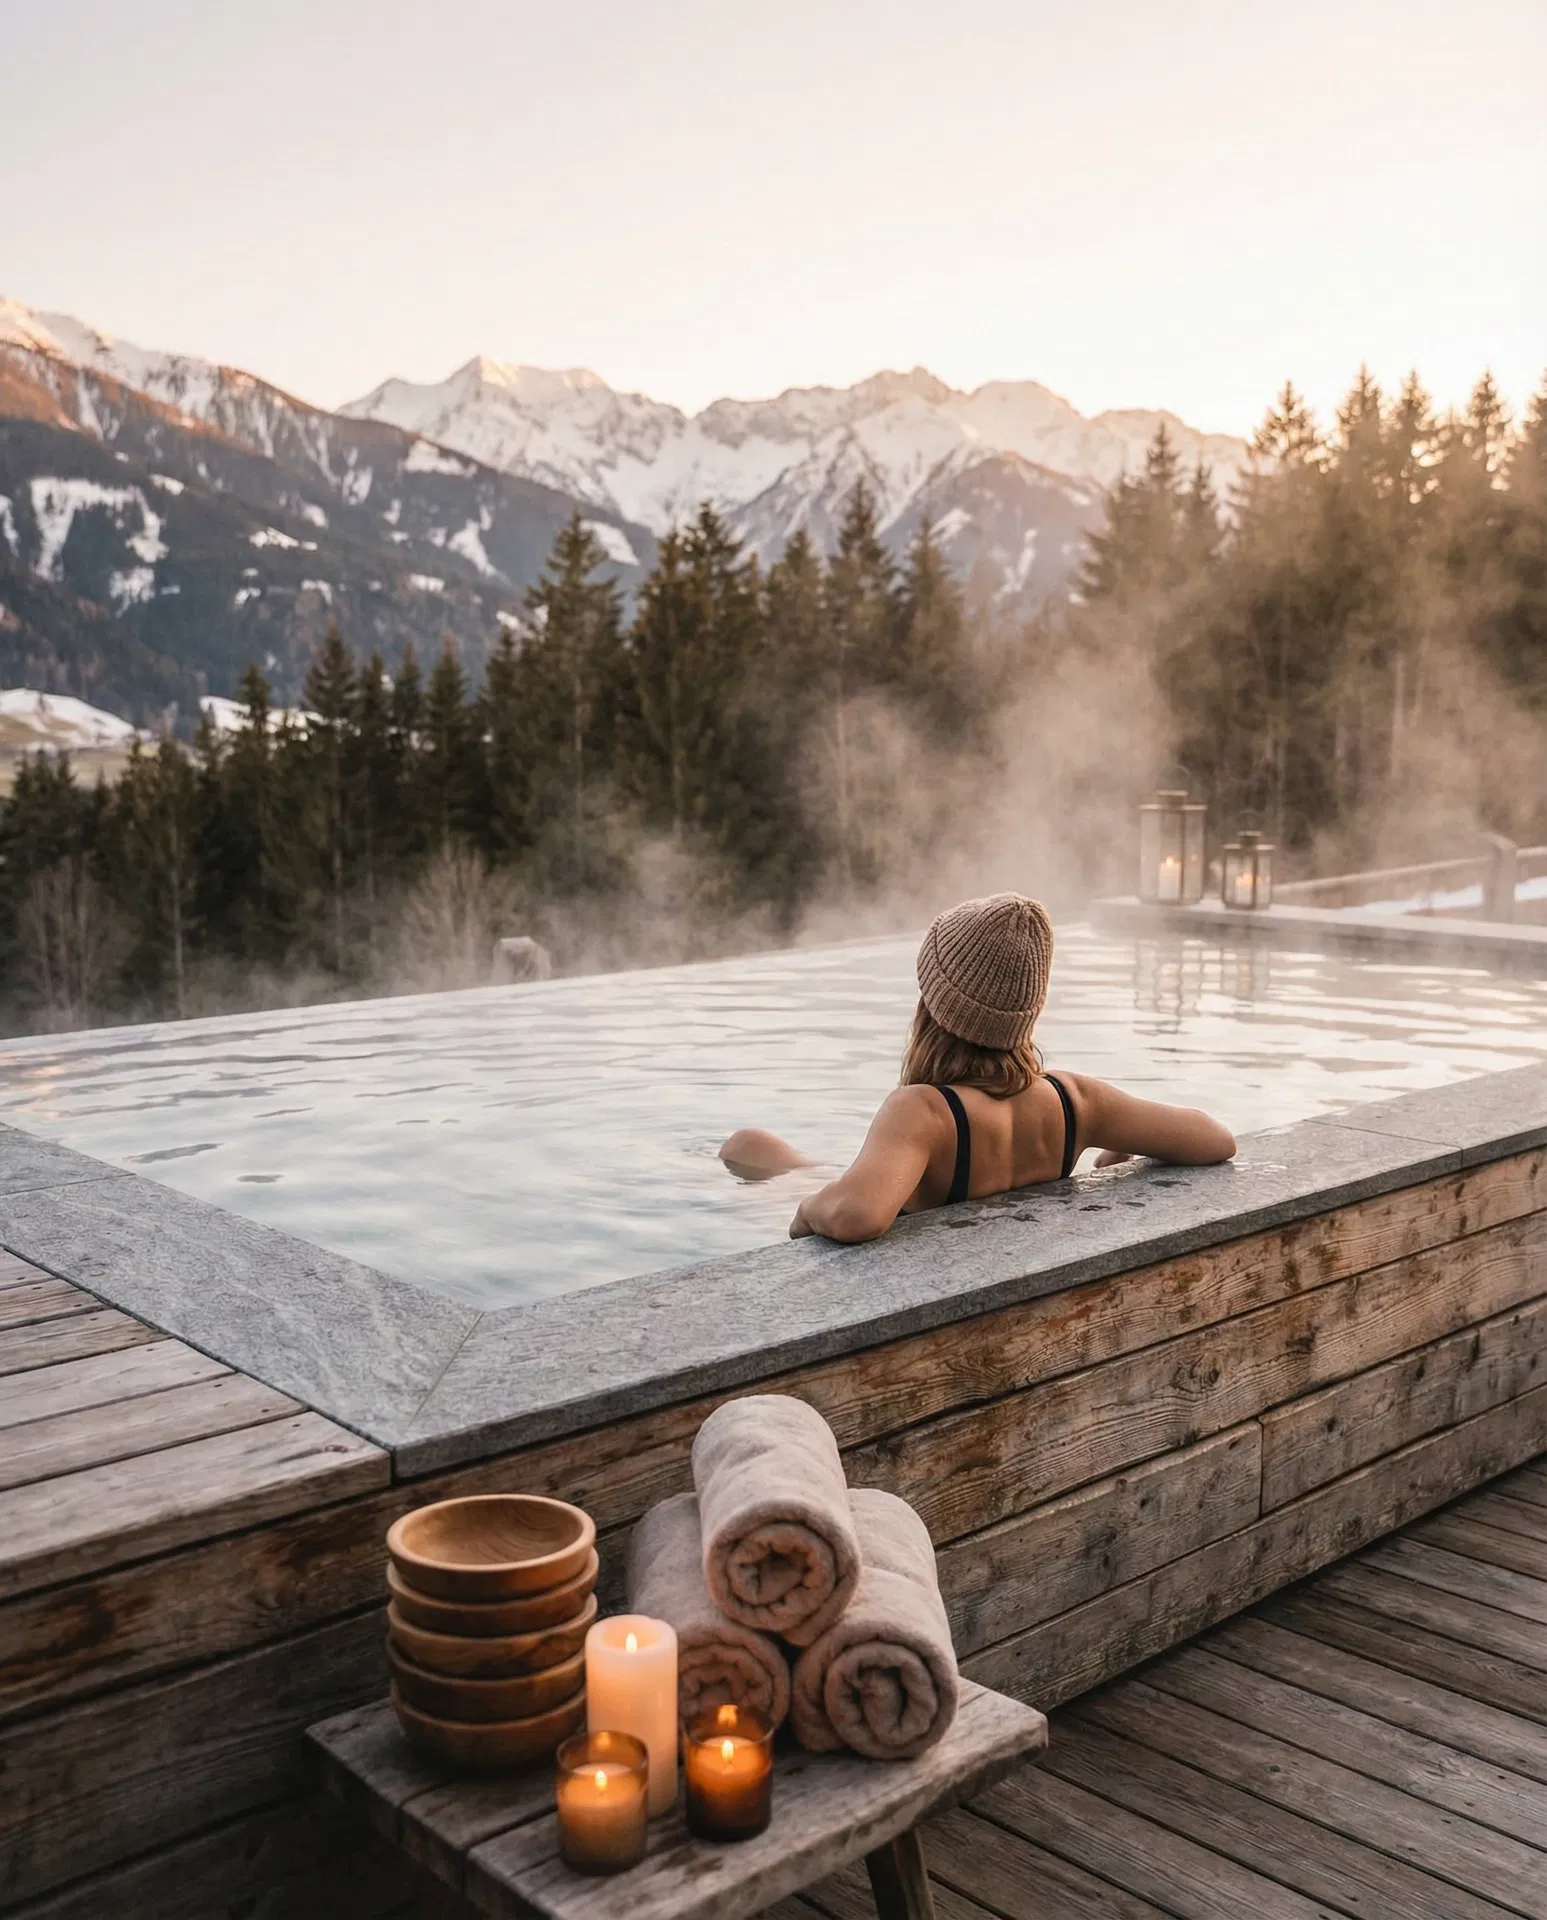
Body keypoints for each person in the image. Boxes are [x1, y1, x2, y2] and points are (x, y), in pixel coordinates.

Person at [719, 892, 1236, 1244]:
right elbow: (1214, 1139)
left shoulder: (921, 1111)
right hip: (910, 1187)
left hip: (877, 1198)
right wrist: (1119, 1148)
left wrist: (809, 1209)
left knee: (746, 1146)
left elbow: (858, 1215)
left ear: (934, 1007)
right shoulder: (1074, 1101)